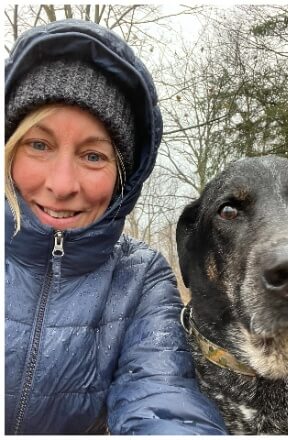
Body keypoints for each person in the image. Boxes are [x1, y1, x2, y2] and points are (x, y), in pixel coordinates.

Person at [4, 19, 227, 434]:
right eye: (39, 145)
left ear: (123, 178)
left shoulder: (140, 277)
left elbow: (162, 396)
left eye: (93, 156)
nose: (62, 184)